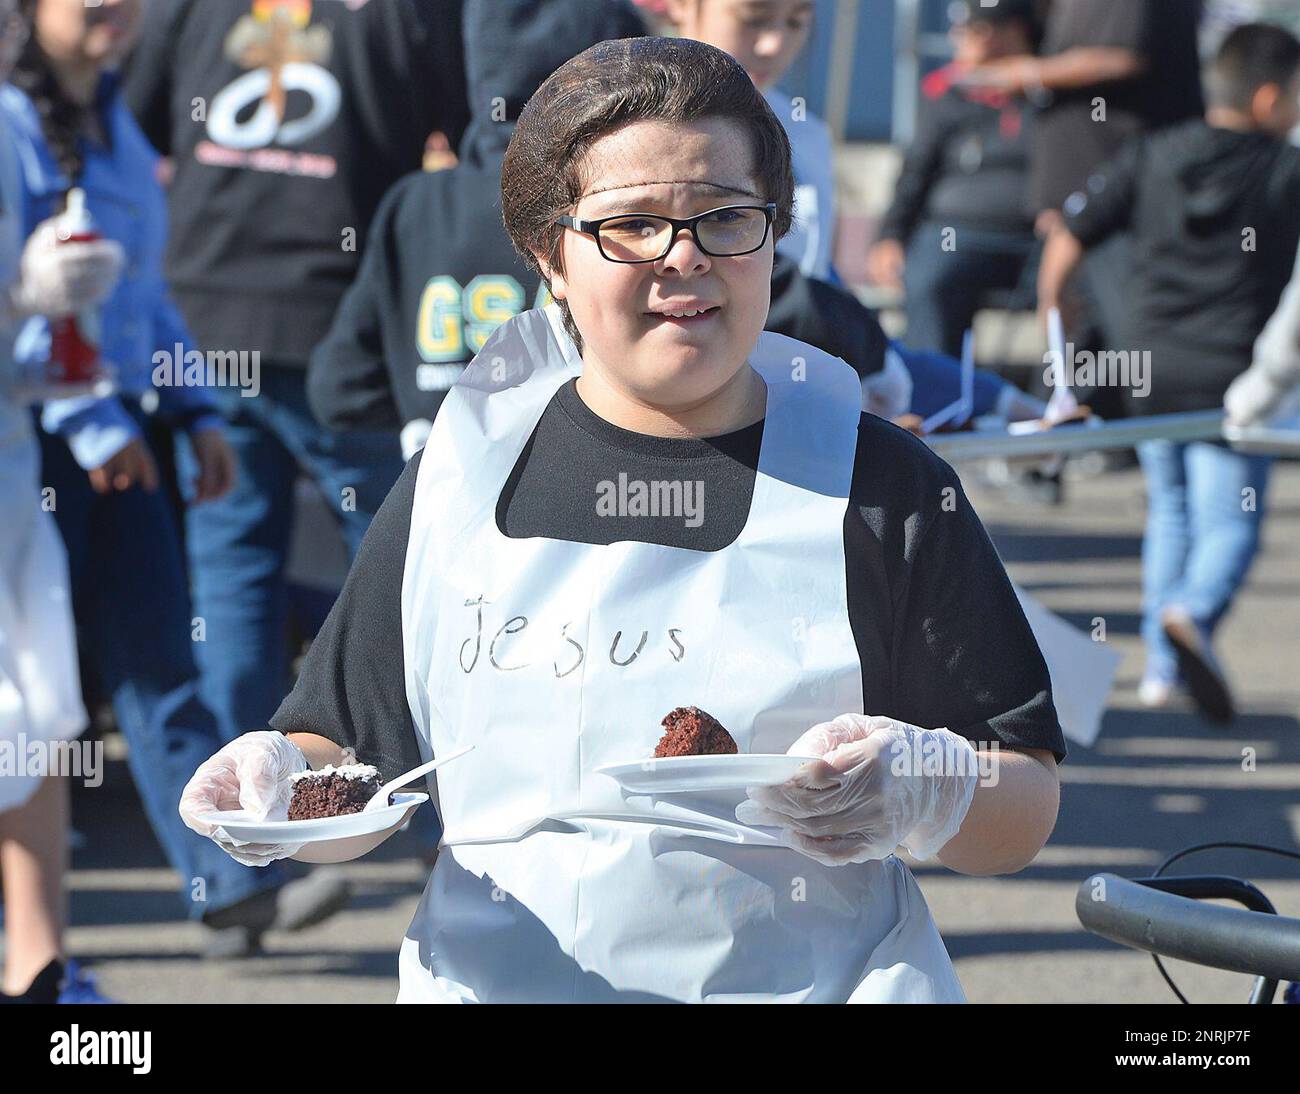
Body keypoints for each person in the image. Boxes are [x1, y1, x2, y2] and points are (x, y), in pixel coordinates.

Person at [182, 36, 1065, 1004]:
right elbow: (349, 761)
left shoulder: (879, 485)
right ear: (546, 253)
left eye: (725, 217)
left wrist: (926, 786)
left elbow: (1021, 797)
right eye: (631, 225)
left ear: (774, 231)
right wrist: (270, 779)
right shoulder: (462, 472)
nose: (683, 258)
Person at [6, 0, 348, 958]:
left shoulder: (117, 118)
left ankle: (229, 887)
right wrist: (88, 421)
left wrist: (193, 410)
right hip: (32, 444)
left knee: (160, 658)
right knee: (25, 692)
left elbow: (146, 297)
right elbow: (16, 298)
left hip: (120, 439)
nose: (115, 7)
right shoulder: (7, 124)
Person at [120, 0, 469, 746]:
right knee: (389, 573)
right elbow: (469, 123)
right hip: (330, 329)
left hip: (216, 319)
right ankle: (386, 811)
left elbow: (132, 122)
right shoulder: (406, 13)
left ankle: (245, 835)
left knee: (233, 571)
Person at [1037, 23, 1300, 722]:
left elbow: (1069, 235)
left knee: (1172, 516)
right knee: (1231, 521)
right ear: (1271, 95)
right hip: (1238, 379)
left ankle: (1160, 670)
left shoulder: (1150, 153)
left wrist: (1055, 327)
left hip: (1149, 370)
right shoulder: (1285, 170)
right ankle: (1193, 612)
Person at [0, 0, 123, 1004]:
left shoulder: (9, 122)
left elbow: (28, 352)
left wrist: (41, 313)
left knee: (38, 709)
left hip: (7, 472)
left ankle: (37, 967)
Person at [967, 0, 1204, 415]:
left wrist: (1023, 73)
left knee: (1128, 329)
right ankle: (1051, 451)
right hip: (1080, 197)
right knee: (1071, 329)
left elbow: (1119, 56)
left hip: (1121, 199)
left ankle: (1146, 441)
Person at [867, 0, 1041, 358]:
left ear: (1015, 31)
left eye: (975, 30)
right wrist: (891, 236)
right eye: (959, 30)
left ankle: (1068, 405)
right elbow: (915, 171)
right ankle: (936, 402)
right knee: (930, 281)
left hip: (1039, 237)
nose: (959, 40)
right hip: (956, 235)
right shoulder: (949, 94)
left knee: (1095, 280)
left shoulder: (1055, 93)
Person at [664, 0, 832, 280]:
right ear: (683, 5)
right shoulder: (625, 126)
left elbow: (819, 266)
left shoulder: (807, 131)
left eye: (795, 22)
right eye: (753, 19)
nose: (774, 45)